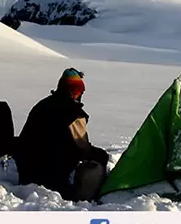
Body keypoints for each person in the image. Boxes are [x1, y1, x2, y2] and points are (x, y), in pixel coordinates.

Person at [13, 68, 109, 201]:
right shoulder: (73, 113)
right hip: (51, 177)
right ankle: (86, 197)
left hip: (26, 172)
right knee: (99, 157)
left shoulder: (42, 105)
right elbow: (83, 147)